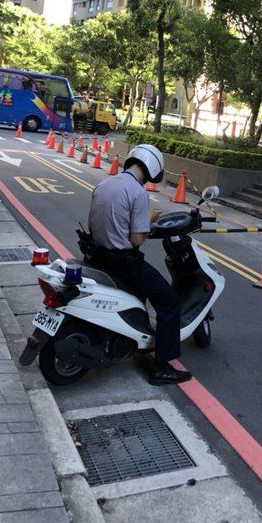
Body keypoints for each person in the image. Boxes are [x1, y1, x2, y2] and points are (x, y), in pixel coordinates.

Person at [88, 144, 192, 386]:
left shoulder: (104, 184)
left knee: (140, 295)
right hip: (124, 263)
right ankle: (161, 367)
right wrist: (149, 218)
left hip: (97, 256)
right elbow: (136, 240)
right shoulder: (138, 193)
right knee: (169, 302)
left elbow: (93, 227)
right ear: (153, 169)